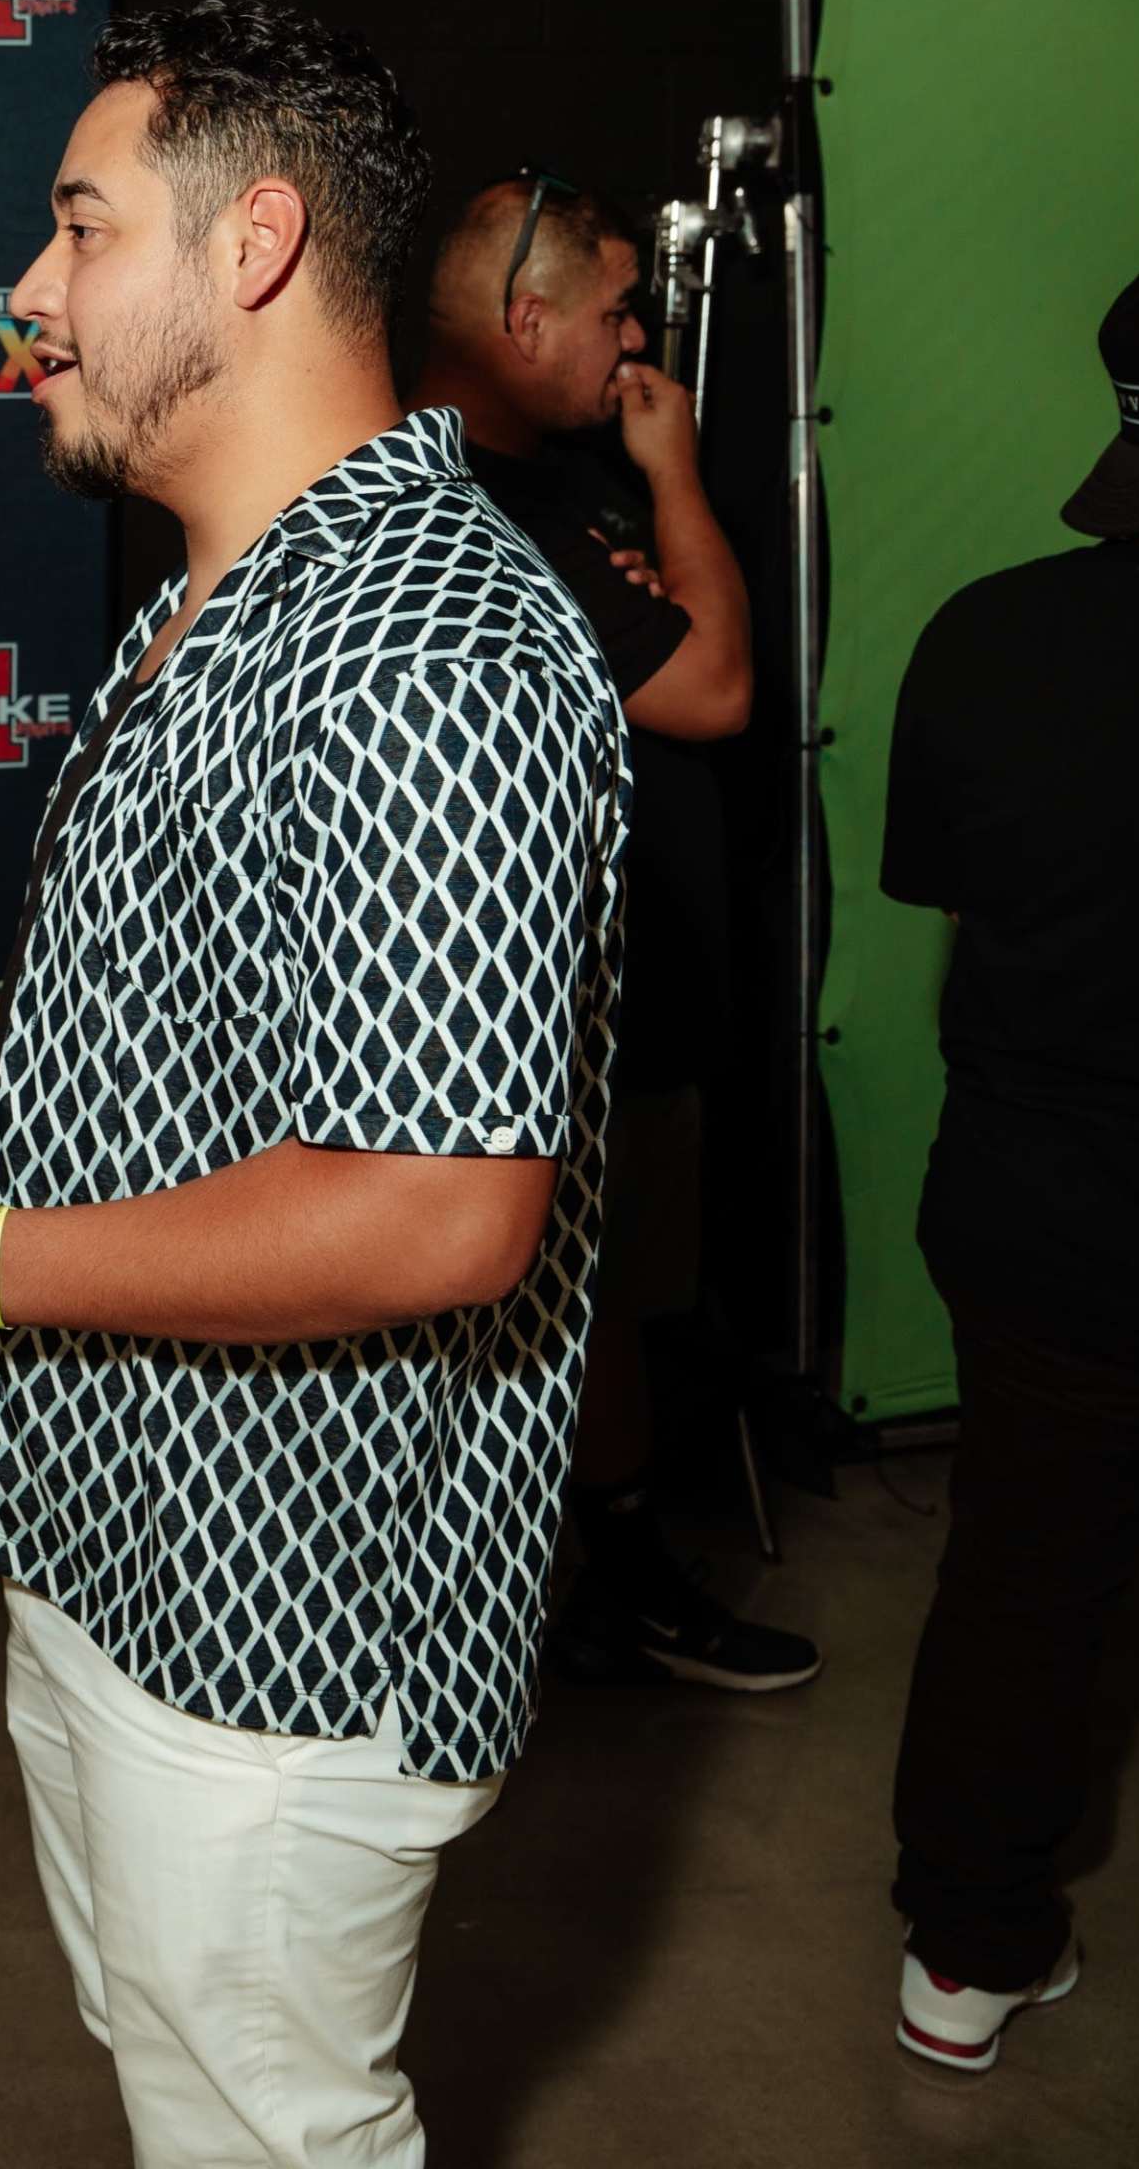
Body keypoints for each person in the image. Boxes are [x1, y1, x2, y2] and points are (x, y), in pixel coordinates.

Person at [0, 0, 628, 2168]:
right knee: (179, 2077)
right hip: (120, 1547)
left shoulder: (427, 652)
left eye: (79, 229)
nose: (32, 295)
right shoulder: (233, 592)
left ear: (252, 244)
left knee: (264, 2130)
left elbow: (444, 1206)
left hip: (282, 1634)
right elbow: (225, 948)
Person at [412, 173, 820, 1693]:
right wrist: (678, 478)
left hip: (631, 991)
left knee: (611, 1313)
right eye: (612, 310)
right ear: (524, 323)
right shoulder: (481, 500)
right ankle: (612, 1589)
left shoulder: (553, 478)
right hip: (562, 1012)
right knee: (576, 1316)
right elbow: (713, 689)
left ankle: (602, 1581)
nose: (636, 339)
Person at [879, 234, 1139, 2074]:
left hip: (1045, 1229)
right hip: (1083, 1211)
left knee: (1023, 1581)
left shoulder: (993, 629)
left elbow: (951, 887)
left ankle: (967, 1954)